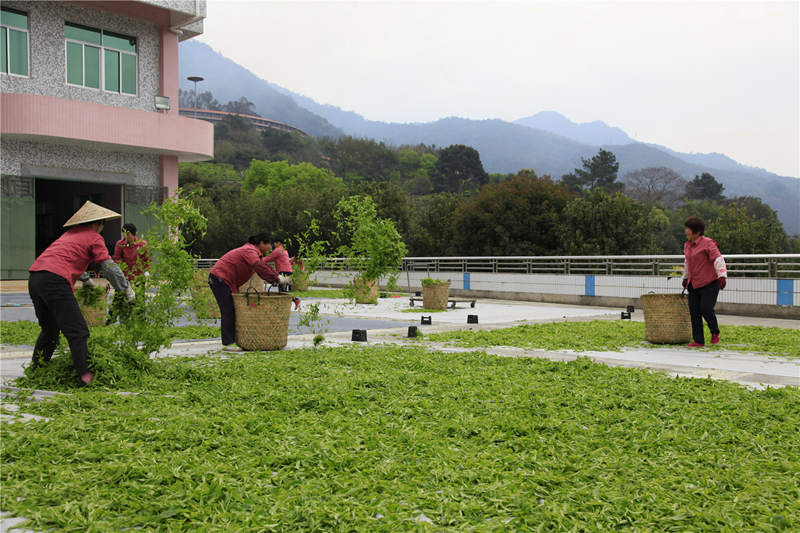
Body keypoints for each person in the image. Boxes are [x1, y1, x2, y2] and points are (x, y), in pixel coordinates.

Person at [28, 201, 134, 386]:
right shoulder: (94, 237)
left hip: (36, 278)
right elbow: (107, 265)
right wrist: (125, 287)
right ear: (98, 224)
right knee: (78, 331)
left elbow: (65, 257)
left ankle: (37, 369)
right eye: (102, 225)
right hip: (55, 281)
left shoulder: (69, 235)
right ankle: (85, 377)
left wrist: (85, 279)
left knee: (50, 329)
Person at [208, 233, 280, 352]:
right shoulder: (249, 250)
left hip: (228, 281)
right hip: (220, 279)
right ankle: (228, 343)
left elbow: (264, 266)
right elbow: (259, 267)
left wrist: (276, 276)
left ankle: (235, 339)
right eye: (269, 245)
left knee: (235, 309)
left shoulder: (255, 253)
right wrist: (277, 279)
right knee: (228, 309)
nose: (270, 248)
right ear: (262, 243)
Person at [681, 216, 727, 348]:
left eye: (688, 229)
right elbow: (687, 263)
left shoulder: (708, 243)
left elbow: (718, 259)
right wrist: (685, 278)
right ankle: (699, 340)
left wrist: (722, 276)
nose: (686, 231)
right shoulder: (687, 245)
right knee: (694, 312)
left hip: (710, 282)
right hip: (693, 283)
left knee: (706, 309)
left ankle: (715, 331)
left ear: (696, 231)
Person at [264, 235, 301, 310]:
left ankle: (294, 300)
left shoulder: (278, 250)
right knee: (283, 290)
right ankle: (288, 303)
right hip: (288, 272)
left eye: (274, 243)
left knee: (282, 291)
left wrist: (258, 260)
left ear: (278, 243)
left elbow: (269, 258)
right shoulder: (284, 251)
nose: (273, 245)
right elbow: (287, 262)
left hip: (283, 272)